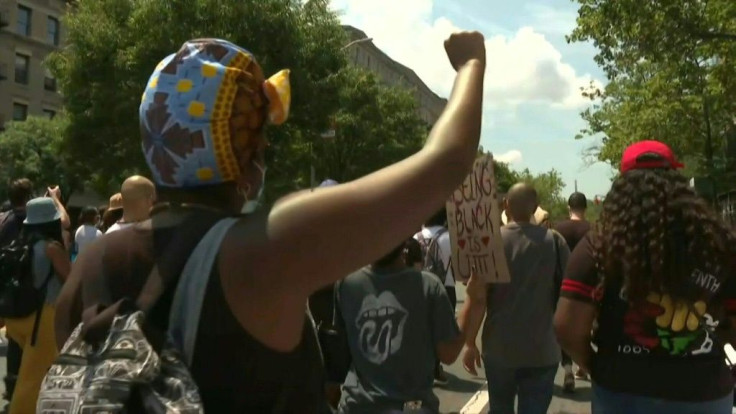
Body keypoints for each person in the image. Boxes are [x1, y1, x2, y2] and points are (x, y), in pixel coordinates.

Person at [55, 33, 486, 412]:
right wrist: (471, 65)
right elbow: (444, 164)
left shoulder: (91, 263)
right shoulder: (261, 249)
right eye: (260, 138)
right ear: (244, 152)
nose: (264, 150)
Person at [554, 140, 736, 414]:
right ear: (679, 184)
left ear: (621, 186)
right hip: (704, 392)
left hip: (623, 391)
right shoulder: (717, 243)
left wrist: (597, 366)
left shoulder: (600, 246)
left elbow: (567, 328)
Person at [337, 239, 480, 413]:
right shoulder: (428, 286)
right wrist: (472, 299)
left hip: (358, 407)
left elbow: (339, 356)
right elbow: (448, 354)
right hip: (412, 408)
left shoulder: (346, 284)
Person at [463, 183, 569, 414]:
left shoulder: (490, 242)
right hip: (543, 348)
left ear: (505, 205)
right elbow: (568, 296)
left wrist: (470, 343)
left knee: (500, 408)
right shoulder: (555, 241)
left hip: (499, 348)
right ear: (536, 207)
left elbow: (478, 299)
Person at [4, 197, 70, 414]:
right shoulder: (52, 248)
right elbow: (70, 280)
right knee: (31, 380)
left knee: (28, 373)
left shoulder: (19, 244)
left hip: (15, 319)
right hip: (42, 319)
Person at [553, 191, 591, 391]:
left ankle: (567, 369)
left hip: (563, 286)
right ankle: (583, 366)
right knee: (586, 325)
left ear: (569, 207)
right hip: (590, 288)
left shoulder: (558, 230)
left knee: (565, 327)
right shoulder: (593, 230)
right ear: (585, 208)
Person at [415, 208, 455, 384]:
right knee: (441, 332)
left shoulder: (416, 238)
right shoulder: (450, 238)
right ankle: (436, 367)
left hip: (419, 288)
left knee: (420, 329)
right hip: (445, 288)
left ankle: (423, 367)